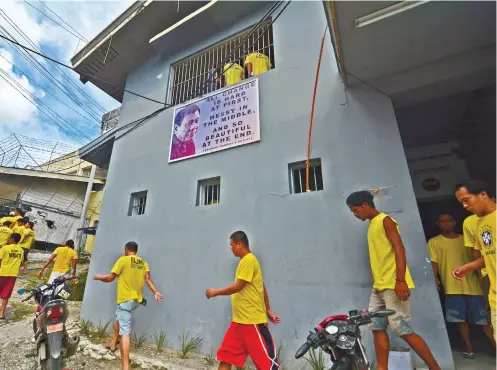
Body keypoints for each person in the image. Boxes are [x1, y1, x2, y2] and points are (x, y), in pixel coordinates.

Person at [346, 191, 440, 370]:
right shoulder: (372, 224)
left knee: (403, 330)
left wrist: (401, 280)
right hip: (379, 286)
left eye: (355, 210)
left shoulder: (385, 220)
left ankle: (435, 368)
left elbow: (399, 248)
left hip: (393, 284)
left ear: (365, 205)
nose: (355, 214)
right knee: (377, 327)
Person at [205, 231, 281, 370]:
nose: (231, 248)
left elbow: (238, 286)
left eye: (232, 245)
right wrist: (268, 309)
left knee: (267, 365)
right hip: (239, 322)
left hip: (252, 322)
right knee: (226, 357)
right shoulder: (245, 262)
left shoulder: (249, 260)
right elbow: (261, 288)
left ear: (239, 244)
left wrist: (215, 292)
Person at [427, 212, 494, 358]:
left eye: (449, 221)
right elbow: (434, 264)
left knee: (485, 321)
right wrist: (435, 278)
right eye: (443, 222)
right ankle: (470, 350)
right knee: (461, 322)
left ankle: (494, 347)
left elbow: (479, 260)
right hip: (452, 288)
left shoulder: (467, 240)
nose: (447, 224)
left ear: (455, 222)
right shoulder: (434, 242)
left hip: (475, 287)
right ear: (438, 225)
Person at [93, 241, 163, 370]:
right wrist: (156, 292)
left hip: (126, 300)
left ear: (126, 249)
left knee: (125, 332)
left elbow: (110, 278)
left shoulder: (123, 260)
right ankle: (113, 344)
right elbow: (148, 279)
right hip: (136, 301)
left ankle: (125, 366)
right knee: (119, 318)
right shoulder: (143, 263)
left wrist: (98, 276)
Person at [453, 180, 496, 338]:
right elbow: (489, 254)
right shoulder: (478, 223)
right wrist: (469, 267)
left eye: (466, 200)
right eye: (461, 203)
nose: (464, 206)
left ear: (483, 194)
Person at [0, 233, 23, 319]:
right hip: (13, 275)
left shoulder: (5, 248)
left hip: (2, 273)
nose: (8, 239)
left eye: (9, 238)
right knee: (6, 295)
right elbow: (20, 262)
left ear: (12, 239)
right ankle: (1, 314)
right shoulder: (21, 250)